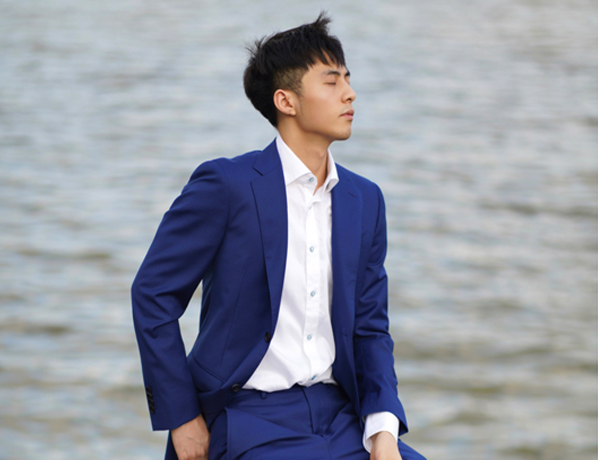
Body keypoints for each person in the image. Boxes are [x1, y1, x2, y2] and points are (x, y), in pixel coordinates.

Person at [132, 12, 426, 460]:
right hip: (248, 416)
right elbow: (153, 294)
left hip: (340, 413)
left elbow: (369, 328)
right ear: (286, 101)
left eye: (348, 78)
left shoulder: (364, 200)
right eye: (331, 81)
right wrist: (182, 417)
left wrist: (383, 429)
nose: (349, 93)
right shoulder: (226, 186)